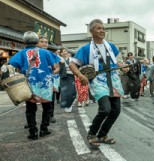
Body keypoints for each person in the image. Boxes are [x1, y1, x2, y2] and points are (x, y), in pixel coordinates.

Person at [69, 19, 124, 148]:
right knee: (105, 109)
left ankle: (102, 135)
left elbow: (117, 62)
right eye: (99, 28)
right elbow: (72, 64)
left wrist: (123, 66)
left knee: (115, 111)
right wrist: (81, 76)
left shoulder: (111, 46)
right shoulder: (85, 49)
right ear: (91, 31)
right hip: (98, 81)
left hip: (114, 81)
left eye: (103, 28)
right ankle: (92, 134)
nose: (102, 31)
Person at [9, 31, 56, 140]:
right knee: (47, 107)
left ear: (24, 41)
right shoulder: (47, 53)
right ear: (37, 41)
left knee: (30, 109)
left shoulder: (21, 53)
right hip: (45, 84)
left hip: (30, 84)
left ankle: (33, 132)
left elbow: (13, 65)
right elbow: (55, 67)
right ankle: (44, 129)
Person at [37, 35, 61, 123]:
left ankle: (51, 115)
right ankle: (30, 121)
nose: (44, 44)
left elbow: (57, 68)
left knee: (50, 99)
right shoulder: (32, 53)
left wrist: (49, 74)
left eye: (46, 42)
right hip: (36, 80)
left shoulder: (51, 54)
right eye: (42, 42)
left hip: (49, 79)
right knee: (32, 101)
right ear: (37, 43)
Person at [59, 48, 77, 113]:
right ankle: (67, 106)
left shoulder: (72, 59)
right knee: (64, 92)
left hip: (71, 76)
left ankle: (70, 103)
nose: (64, 52)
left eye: (65, 51)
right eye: (62, 51)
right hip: (64, 77)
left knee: (73, 92)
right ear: (60, 53)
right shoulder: (59, 59)